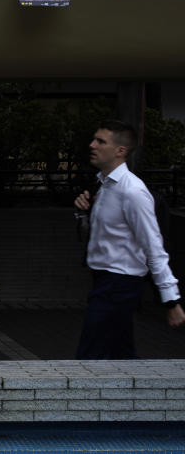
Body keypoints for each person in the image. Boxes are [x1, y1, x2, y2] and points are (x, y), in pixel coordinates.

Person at [74, 120, 185, 359]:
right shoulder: (103, 186)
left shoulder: (132, 192)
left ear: (120, 151)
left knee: (90, 355)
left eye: (101, 141)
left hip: (119, 283)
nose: (92, 145)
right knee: (120, 354)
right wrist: (83, 212)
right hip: (104, 280)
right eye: (94, 139)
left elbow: (154, 246)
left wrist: (171, 300)